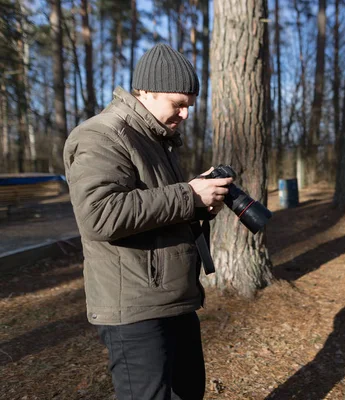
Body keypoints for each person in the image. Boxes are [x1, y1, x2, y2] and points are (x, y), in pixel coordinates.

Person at [63, 43, 233, 399]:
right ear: (146, 92)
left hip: (174, 298)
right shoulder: (101, 135)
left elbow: (154, 209)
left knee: (189, 393)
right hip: (133, 308)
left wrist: (199, 204)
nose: (186, 114)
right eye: (179, 104)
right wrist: (188, 196)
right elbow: (99, 215)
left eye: (189, 105)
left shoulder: (157, 140)